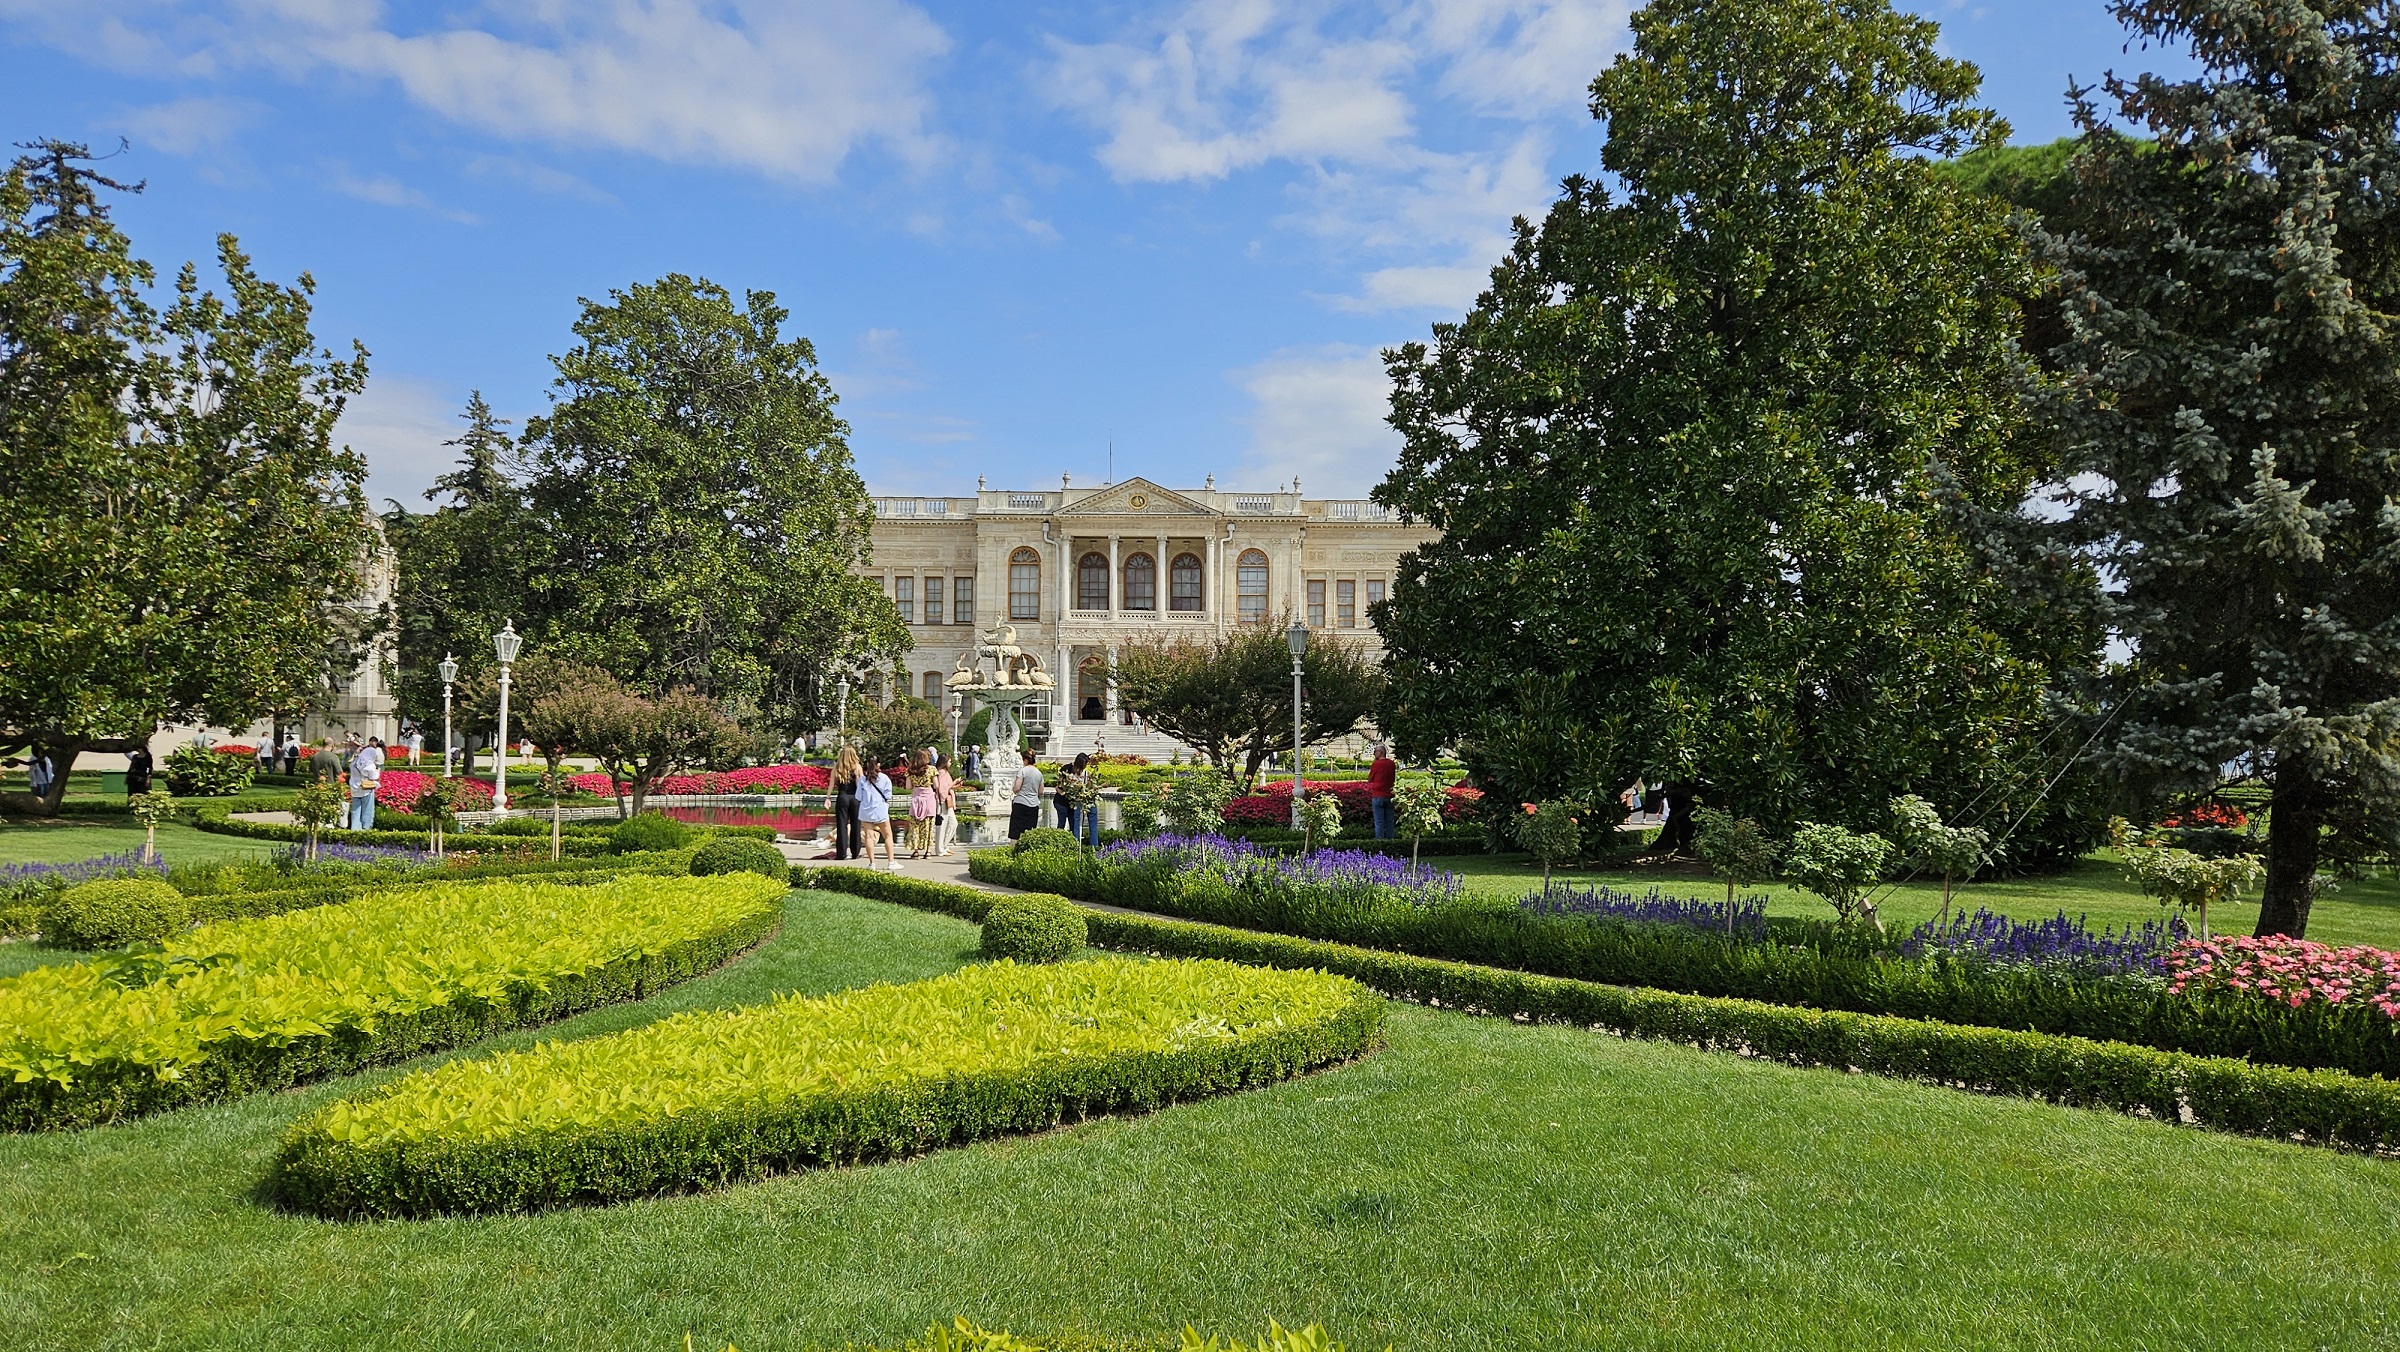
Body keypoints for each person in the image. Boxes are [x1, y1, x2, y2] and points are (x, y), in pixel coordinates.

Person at [855, 753, 897, 869]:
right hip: (880, 811)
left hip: (866, 811)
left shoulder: (863, 779)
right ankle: (891, 862)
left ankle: (872, 863)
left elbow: (858, 797)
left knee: (868, 837)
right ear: (878, 764)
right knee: (888, 835)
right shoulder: (884, 778)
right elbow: (888, 795)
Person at [828, 746, 864, 860]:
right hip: (854, 798)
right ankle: (855, 852)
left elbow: (831, 785)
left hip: (842, 796)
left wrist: (827, 798)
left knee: (841, 826)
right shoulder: (857, 767)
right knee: (856, 825)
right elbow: (860, 785)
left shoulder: (837, 768)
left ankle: (841, 853)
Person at [906, 750, 938, 858]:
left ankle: (915, 851)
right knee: (928, 825)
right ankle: (928, 851)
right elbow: (936, 785)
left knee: (915, 826)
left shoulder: (910, 771)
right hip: (928, 799)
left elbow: (908, 787)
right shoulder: (931, 770)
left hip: (916, 799)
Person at [348, 736, 384, 830]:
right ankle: (366, 828)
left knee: (356, 810)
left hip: (355, 789)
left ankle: (355, 828)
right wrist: (378, 770)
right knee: (367, 810)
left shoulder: (354, 762)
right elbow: (374, 777)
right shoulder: (369, 764)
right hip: (366, 789)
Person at [1367, 741, 1397, 840]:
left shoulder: (1376, 764)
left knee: (1379, 821)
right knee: (1389, 821)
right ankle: (1390, 840)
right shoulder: (1392, 764)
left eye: (1375, 751)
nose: (1374, 753)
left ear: (1380, 752)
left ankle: (1379, 841)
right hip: (1390, 795)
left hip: (1378, 795)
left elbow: (1370, 779)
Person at [1009, 757, 1043, 840]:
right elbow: (1041, 791)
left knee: (1015, 833)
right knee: (1030, 832)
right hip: (1034, 804)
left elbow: (1017, 788)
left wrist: (1013, 790)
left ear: (1026, 760)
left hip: (1021, 803)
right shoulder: (1039, 773)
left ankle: (1013, 851)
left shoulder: (1023, 771)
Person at [932, 751, 957, 856]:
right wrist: (953, 783)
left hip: (947, 801)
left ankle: (944, 845)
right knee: (942, 825)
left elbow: (947, 786)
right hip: (944, 802)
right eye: (949, 761)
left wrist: (954, 785)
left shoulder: (945, 772)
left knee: (953, 823)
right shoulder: (941, 773)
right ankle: (940, 849)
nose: (950, 763)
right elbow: (942, 788)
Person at [1055, 752, 1087, 830]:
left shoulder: (1082, 773)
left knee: (1073, 824)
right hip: (1061, 802)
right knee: (1061, 823)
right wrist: (1063, 792)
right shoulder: (1066, 769)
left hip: (1073, 803)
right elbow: (1058, 785)